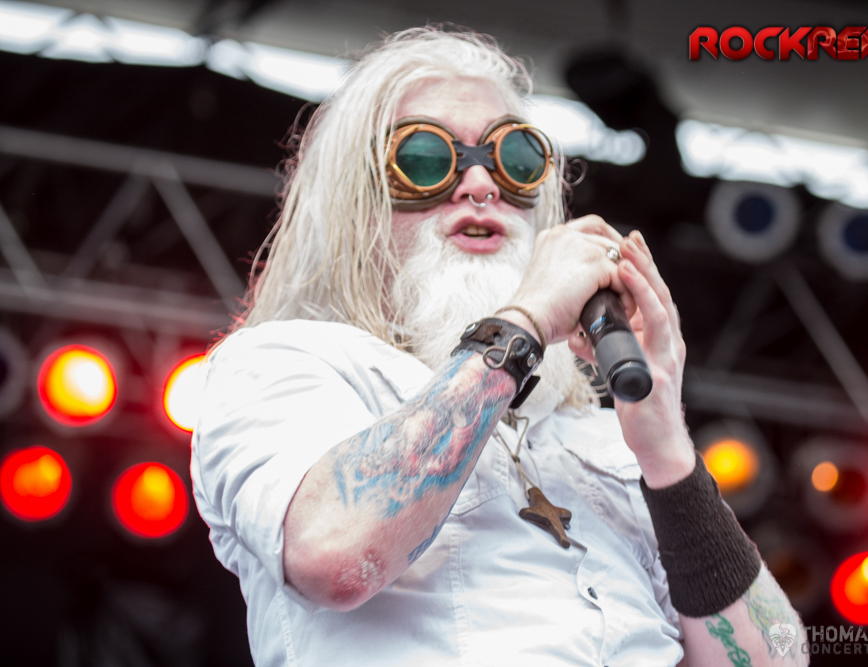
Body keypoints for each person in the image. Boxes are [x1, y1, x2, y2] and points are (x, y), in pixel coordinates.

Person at [191, 27, 809, 667]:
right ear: (356, 200)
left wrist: (667, 451)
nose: (482, 184)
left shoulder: (606, 439)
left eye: (514, 159)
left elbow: (780, 658)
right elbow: (336, 555)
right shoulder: (278, 366)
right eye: (427, 159)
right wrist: (525, 321)